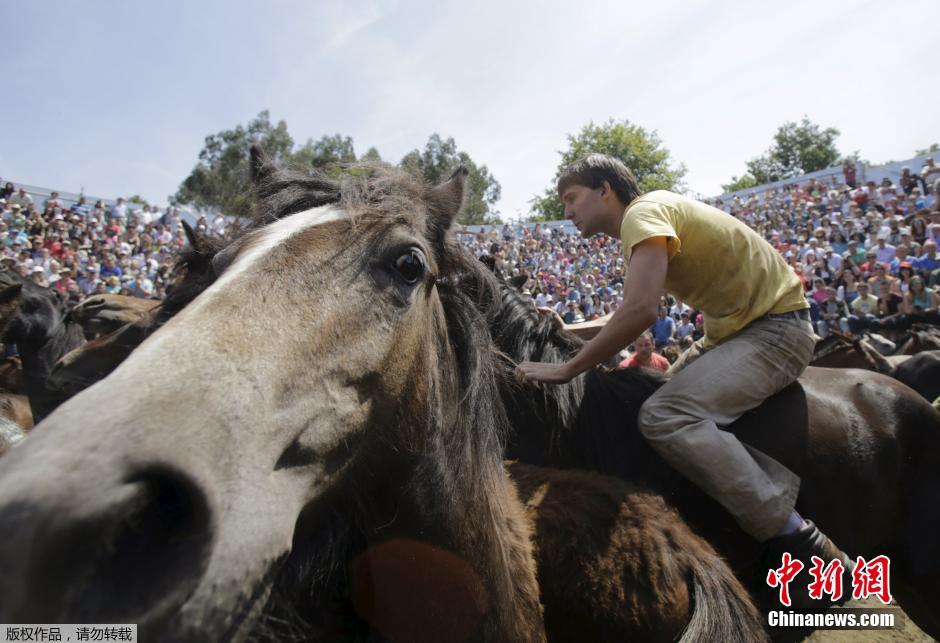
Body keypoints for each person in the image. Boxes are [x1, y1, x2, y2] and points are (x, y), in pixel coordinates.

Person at [513, 154, 851, 603]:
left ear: (605, 191)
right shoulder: (643, 219)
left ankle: (801, 539)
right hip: (738, 333)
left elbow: (640, 312)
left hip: (775, 330)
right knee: (650, 400)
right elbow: (631, 309)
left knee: (665, 414)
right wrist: (565, 331)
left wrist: (567, 367)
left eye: (572, 199)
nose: (567, 212)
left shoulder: (641, 215)